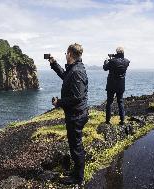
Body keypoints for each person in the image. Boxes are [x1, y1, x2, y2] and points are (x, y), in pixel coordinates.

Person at [48, 43, 89, 185]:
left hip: (76, 115)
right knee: (75, 144)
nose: (65, 55)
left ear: (70, 54)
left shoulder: (76, 71)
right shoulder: (75, 68)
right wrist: (54, 64)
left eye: (66, 53)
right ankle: (77, 172)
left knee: (76, 146)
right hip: (76, 113)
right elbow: (65, 76)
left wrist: (58, 102)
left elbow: (76, 97)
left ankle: (78, 177)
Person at [103, 46, 130, 125]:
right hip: (121, 85)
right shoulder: (127, 62)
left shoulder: (112, 61)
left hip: (111, 85)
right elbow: (120, 61)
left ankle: (108, 121)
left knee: (109, 102)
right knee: (120, 102)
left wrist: (106, 61)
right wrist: (114, 57)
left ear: (116, 52)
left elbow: (105, 68)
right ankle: (122, 120)